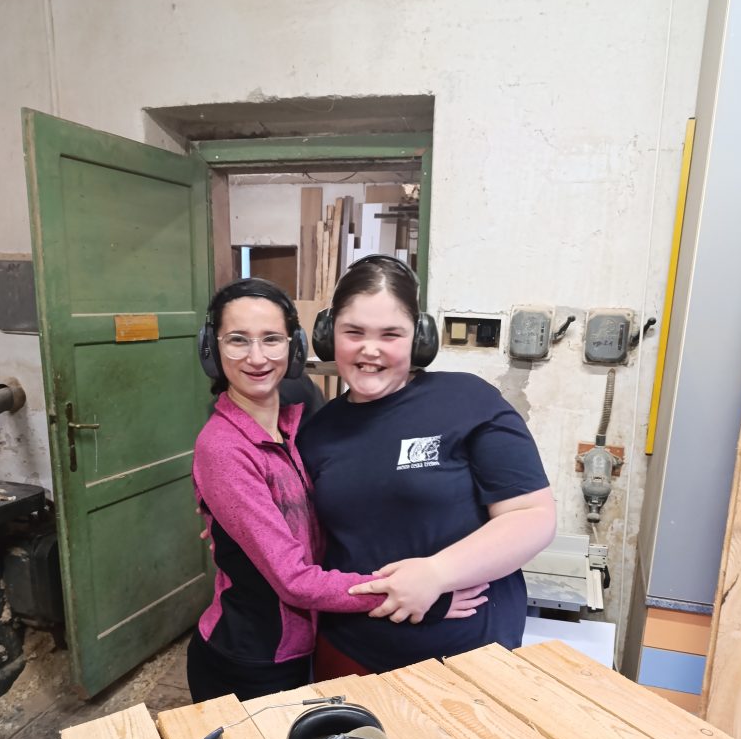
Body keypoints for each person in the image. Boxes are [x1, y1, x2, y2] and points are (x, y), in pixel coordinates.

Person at [188, 277, 486, 702]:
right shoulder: (224, 447)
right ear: (211, 349)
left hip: (301, 646)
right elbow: (293, 581)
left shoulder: (298, 424)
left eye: (271, 339)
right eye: (237, 340)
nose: (256, 357)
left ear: (294, 347)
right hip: (250, 659)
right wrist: (411, 592)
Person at [297, 255, 557, 679]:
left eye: (390, 334)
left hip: (466, 657)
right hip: (349, 651)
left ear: (418, 338)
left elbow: (533, 516)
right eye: (354, 332)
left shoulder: (468, 402)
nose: (369, 349)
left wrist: (437, 574)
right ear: (328, 335)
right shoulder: (317, 432)